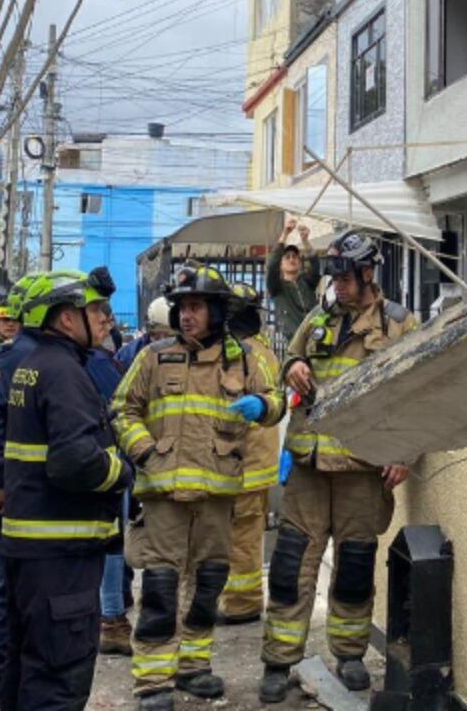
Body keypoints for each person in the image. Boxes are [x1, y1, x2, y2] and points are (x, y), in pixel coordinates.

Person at [112, 264, 286, 710]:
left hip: (218, 494)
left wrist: (263, 404)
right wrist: (145, 452)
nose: (186, 316)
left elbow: (278, 402)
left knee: (208, 583)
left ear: (215, 311)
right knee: (161, 587)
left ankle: (193, 666)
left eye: (195, 306)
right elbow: (121, 409)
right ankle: (152, 681)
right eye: (181, 308)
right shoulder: (154, 357)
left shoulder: (243, 358)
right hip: (164, 495)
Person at [260, 231, 415, 701]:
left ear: (368, 273)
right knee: (290, 566)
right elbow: (291, 357)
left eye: (345, 277)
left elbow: (416, 392)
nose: (338, 285)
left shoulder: (399, 325)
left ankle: (349, 654)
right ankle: (278, 661)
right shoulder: (318, 317)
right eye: (334, 277)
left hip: (361, 468)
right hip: (309, 468)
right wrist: (293, 368)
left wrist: (405, 452)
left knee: (353, 564)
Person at [0, 269, 133, 711]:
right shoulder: (63, 372)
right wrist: (122, 471)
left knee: (21, 668)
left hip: (29, 550)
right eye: (95, 309)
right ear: (66, 319)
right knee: (58, 678)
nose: (105, 318)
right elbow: (75, 459)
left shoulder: (29, 366)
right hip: (62, 556)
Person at [78, 278, 135, 660]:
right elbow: (122, 406)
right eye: (99, 314)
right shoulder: (94, 361)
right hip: (101, 468)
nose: (106, 322)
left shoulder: (22, 357)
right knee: (110, 543)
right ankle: (110, 620)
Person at [219, 282, 281, 626]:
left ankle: (242, 603)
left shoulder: (240, 354)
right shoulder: (263, 349)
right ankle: (241, 597)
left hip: (244, 461)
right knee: (245, 533)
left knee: (240, 536)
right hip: (257, 461)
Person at [0, 304, 23, 686]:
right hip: (10, 488)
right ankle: (1, 657)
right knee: (9, 579)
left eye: (10, 319)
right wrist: (1, 481)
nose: (6, 325)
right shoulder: (5, 360)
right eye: (0, 321)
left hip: (13, 484)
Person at [266, 218, 319, 348]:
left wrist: (305, 240)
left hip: (316, 340)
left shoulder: (307, 282)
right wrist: (285, 234)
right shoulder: (276, 287)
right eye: (287, 257)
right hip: (294, 345)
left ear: (300, 263)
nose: (291, 259)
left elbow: (316, 265)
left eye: (295, 256)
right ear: (281, 264)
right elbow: (272, 265)